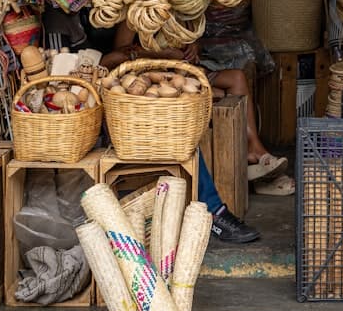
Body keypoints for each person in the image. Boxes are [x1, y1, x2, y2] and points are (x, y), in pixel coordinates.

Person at [102, 21, 294, 195]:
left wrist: (193, 48)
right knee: (218, 95)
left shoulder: (181, 11)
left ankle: (254, 151)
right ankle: (252, 166)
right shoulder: (136, 16)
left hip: (183, 74)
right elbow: (116, 57)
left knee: (237, 78)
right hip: (150, 82)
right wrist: (160, 55)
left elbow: (192, 48)